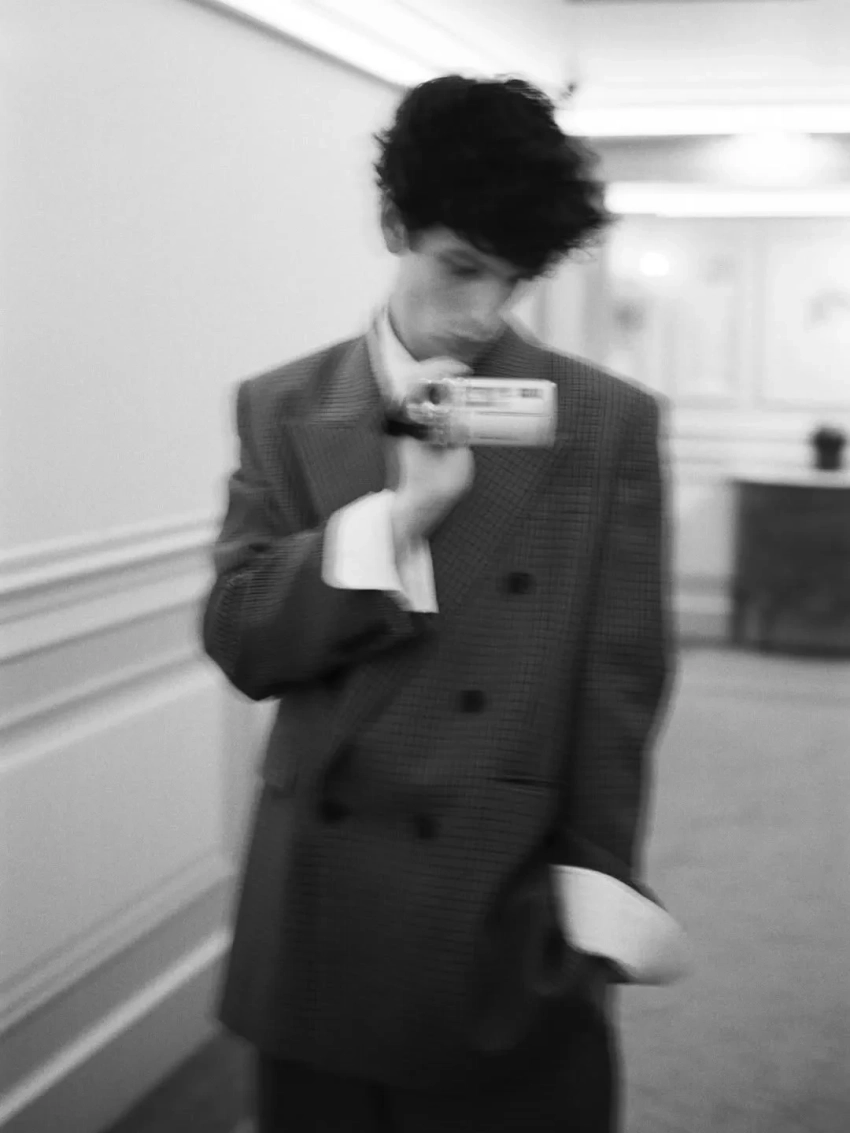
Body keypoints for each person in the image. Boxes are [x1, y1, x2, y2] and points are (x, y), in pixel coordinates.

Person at [201, 74, 687, 1133]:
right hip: (321, 903)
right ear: (394, 226)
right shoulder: (281, 406)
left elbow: (619, 689)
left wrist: (590, 902)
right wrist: (398, 517)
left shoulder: (603, 422)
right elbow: (241, 637)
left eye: (510, 280)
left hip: (498, 895)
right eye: (459, 266)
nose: (478, 314)